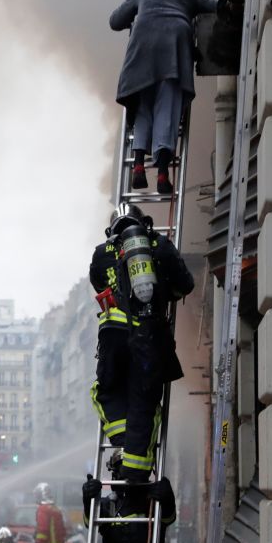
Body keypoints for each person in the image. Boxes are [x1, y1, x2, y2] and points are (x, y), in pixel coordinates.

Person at [89, 206, 195, 482]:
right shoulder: (159, 245)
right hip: (148, 339)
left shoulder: (101, 253)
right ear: (144, 223)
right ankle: (134, 472)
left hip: (112, 336)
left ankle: (120, 437)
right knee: (143, 402)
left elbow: (99, 284)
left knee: (106, 390)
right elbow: (186, 284)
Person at [110, 0, 229, 193]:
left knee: (142, 108)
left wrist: (134, 15)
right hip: (175, 45)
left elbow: (115, 21)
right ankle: (163, 173)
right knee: (167, 108)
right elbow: (216, 5)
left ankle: (138, 166)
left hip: (143, 45)